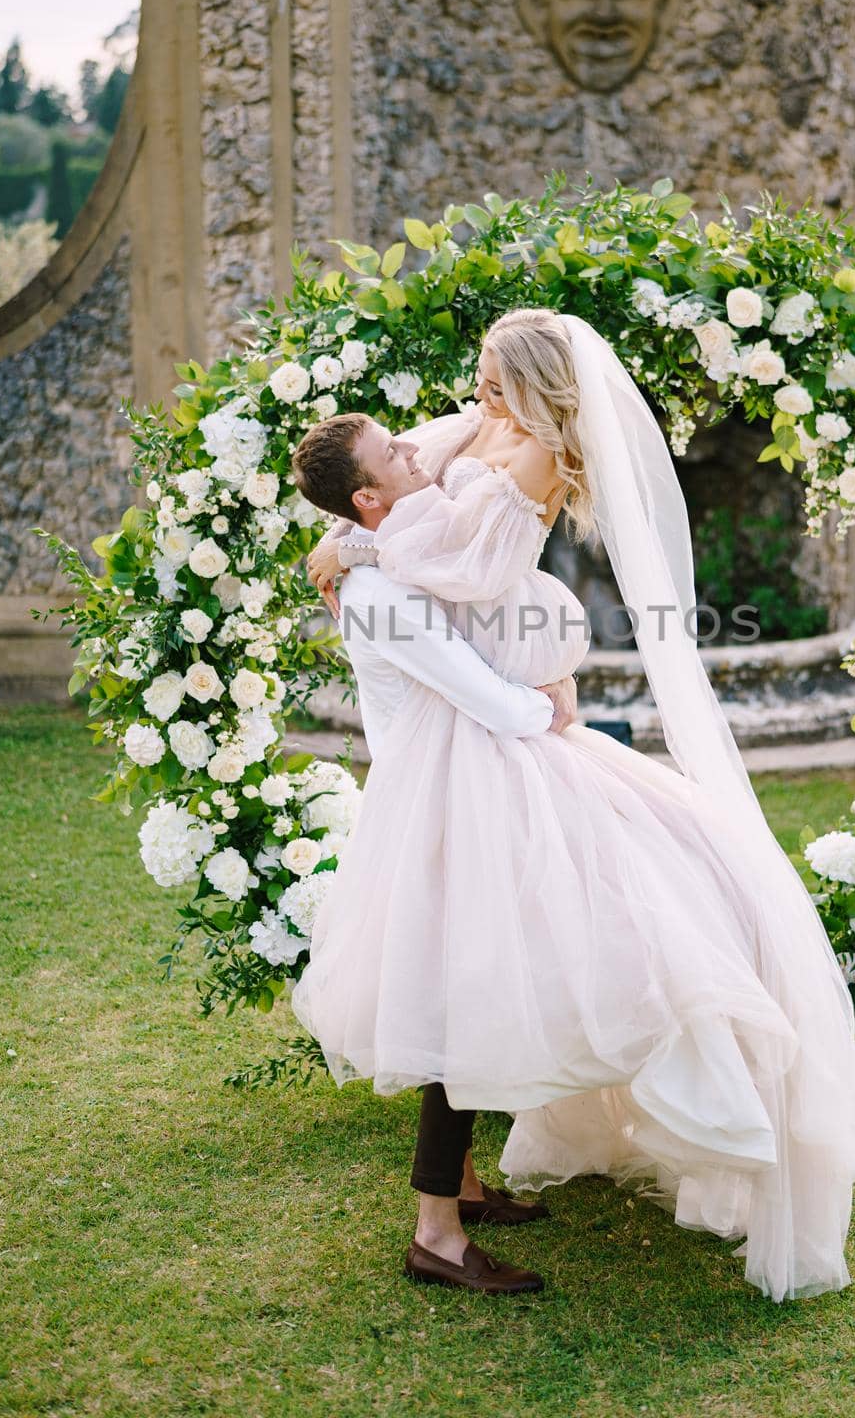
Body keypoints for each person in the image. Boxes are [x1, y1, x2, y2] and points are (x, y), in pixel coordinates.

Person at [291, 309, 855, 1304]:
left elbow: (472, 570)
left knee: (555, 926)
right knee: (476, 958)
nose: (471, 395)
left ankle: (462, 1188)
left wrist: (363, 553)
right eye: (474, 378)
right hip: (471, 746)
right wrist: (353, 538)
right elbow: (381, 481)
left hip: (497, 730)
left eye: (489, 380)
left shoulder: (538, 456)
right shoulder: (461, 433)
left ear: (529, 386)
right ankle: (437, 1224)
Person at [289, 411, 578, 1295]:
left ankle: (460, 1184)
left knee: (477, 982)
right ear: (368, 496)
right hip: (446, 803)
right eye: (392, 453)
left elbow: (442, 442)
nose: (416, 449)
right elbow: (480, 696)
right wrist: (552, 704)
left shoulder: (381, 550)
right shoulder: (381, 595)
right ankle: (436, 1238)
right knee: (463, 1000)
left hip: (458, 787)